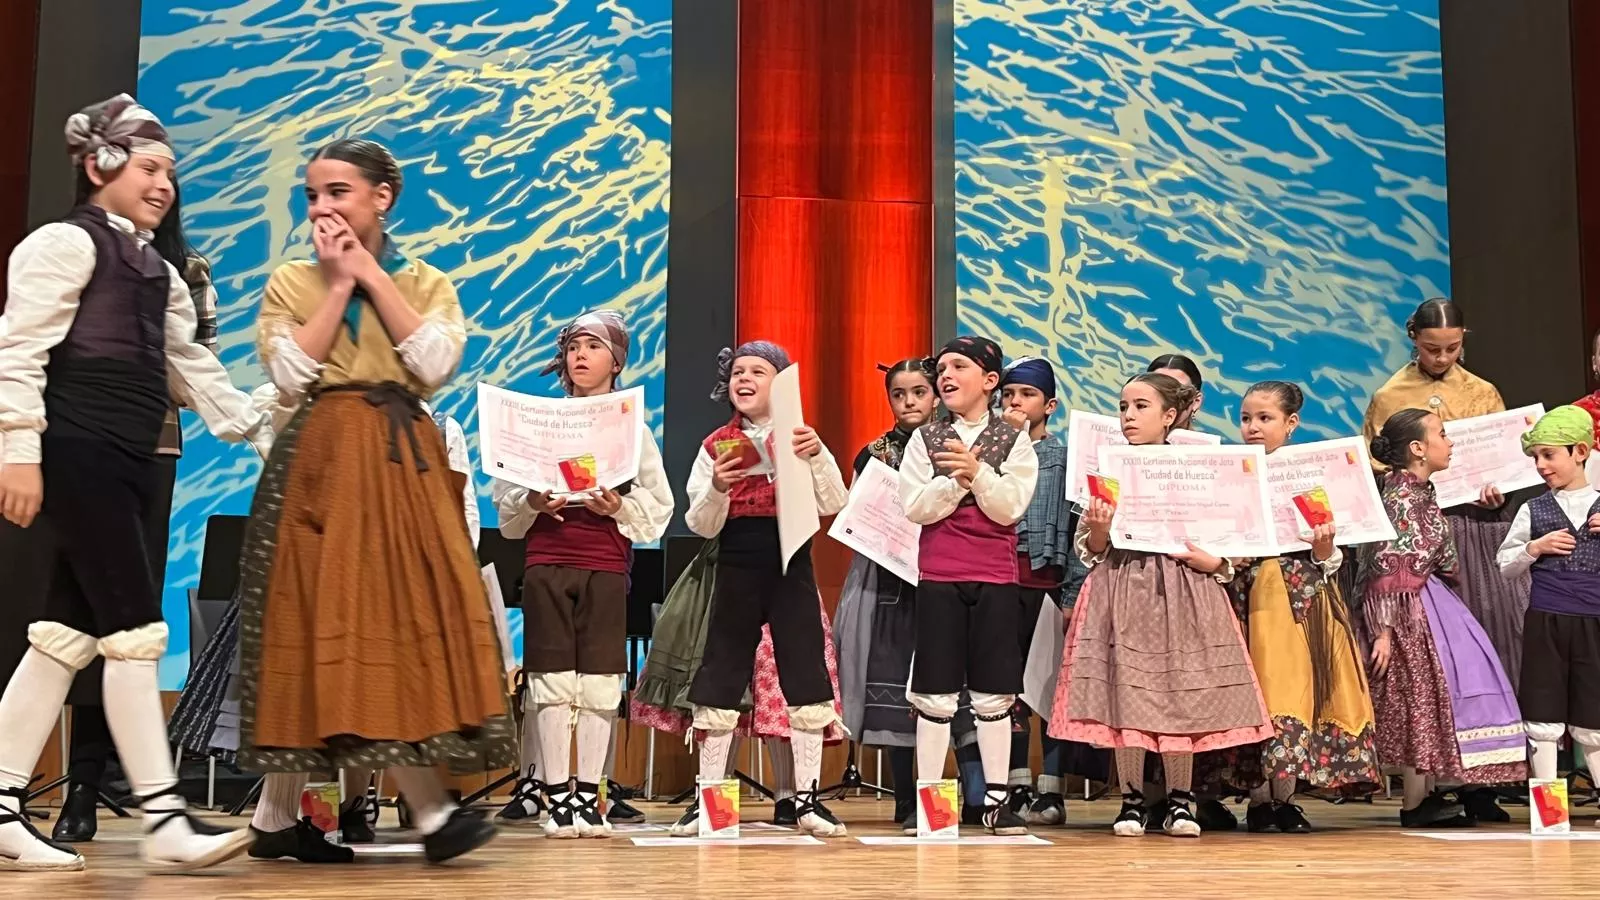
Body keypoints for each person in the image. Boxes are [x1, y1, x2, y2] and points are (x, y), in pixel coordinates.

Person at [0, 94, 271, 872]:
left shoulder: (158, 269)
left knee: (65, 637)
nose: (164, 186)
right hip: (78, 450)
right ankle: (163, 820)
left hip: (126, 459)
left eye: (170, 174)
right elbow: (17, 351)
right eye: (150, 168)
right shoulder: (61, 244)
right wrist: (18, 450)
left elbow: (193, 369)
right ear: (99, 165)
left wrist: (266, 431)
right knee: (132, 632)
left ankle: (1, 804)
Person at [236, 137, 513, 865]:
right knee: (325, 619)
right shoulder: (292, 281)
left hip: (400, 467)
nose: (323, 208)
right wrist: (335, 287)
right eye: (313, 195)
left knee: (394, 619)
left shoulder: (423, 280)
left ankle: (280, 820)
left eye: (339, 192)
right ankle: (426, 815)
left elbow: (434, 363)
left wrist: (369, 276)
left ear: (381, 198)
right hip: (325, 462)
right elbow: (292, 375)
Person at [1049, 373, 1272, 839]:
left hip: (1186, 588)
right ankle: (1131, 800)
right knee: (1127, 691)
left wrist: (1215, 561)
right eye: (1124, 406)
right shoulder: (1109, 469)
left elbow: (1234, 537)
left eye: (1141, 407)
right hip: (1124, 586)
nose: (1128, 416)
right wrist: (1099, 527)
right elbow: (1091, 549)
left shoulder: (1196, 467)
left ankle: (1181, 800)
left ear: (1170, 416)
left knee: (1180, 695)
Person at [491, 308, 672, 838]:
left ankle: (588, 796)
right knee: (549, 680)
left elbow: (657, 510)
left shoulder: (631, 430)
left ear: (616, 360)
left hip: (605, 565)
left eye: (592, 347)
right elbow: (508, 514)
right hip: (547, 561)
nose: (579, 357)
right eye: (573, 348)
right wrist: (532, 500)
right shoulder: (539, 423)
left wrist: (615, 506)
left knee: (598, 680)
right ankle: (553, 799)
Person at [666, 341, 850, 838]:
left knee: (807, 673)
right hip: (738, 561)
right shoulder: (715, 445)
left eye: (758, 371)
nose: (744, 379)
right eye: (737, 372)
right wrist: (720, 488)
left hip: (792, 559)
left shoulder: (800, 437)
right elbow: (701, 524)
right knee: (721, 673)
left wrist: (815, 456)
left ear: (781, 383)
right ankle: (710, 802)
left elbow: (835, 502)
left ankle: (807, 802)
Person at [1361, 299, 1525, 823]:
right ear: (1413, 338)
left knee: (1479, 650)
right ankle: (1434, 785)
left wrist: (1497, 487)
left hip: (1470, 529)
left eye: (1454, 347)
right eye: (1433, 348)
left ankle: (1478, 782)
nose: (1443, 356)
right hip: (1416, 539)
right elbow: (1374, 465)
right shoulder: (1391, 395)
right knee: (1427, 670)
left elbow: (1503, 451)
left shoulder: (1480, 391)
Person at [1207, 381, 1380, 833]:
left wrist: (1324, 546)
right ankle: (1258, 799)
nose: (1252, 428)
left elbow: (1329, 552)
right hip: (1246, 592)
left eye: (1264, 419)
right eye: (1246, 418)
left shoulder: (1307, 473)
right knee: (1259, 691)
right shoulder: (1234, 474)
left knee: (1293, 690)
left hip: (1301, 594)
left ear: (1291, 423)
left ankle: (1283, 798)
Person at [898, 336, 1039, 836]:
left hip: (997, 578)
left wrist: (977, 472)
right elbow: (914, 507)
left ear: (990, 380)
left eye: (959, 366)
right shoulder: (925, 439)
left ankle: (997, 804)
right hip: (939, 576)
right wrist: (956, 482)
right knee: (935, 693)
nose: (946, 374)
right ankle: (933, 806)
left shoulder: (1014, 440)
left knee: (994, 693)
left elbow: (1008, 508)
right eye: (942, 367)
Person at [834, 357, 938, 832]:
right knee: (896, 687)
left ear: (936, 395)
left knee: (950, 689)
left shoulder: (954, 447)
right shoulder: (874, 453)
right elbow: (858, 514)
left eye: (919, 392)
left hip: (942, 575)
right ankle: (905, 798)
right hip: (888, 580)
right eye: (900, 394)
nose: (910, 401)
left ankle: (971, 796)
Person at [1495, 406, 1600, 794]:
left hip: (1593, 622)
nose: (1540, 465)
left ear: (1581, 452)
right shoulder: (1533, 509)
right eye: (1536, 456)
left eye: (1549, 455)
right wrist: (1534, 548)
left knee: (1594, 716)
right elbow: (1505, 565)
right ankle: (1550, 812)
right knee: (1542, 715)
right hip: (1547, 622)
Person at [995, 357, 1076, 826]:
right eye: (1007, 395)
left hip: (1045, 581)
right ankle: (1016, 783)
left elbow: (1073, 525)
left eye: (1025, 395)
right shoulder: (994, 452)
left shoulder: (1061, 457)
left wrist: (1070, 595)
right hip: (1001, 583)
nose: (1015, 403)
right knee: (1007, 691)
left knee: (1049, 687)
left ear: (1049, 404)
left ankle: (1053, 790)